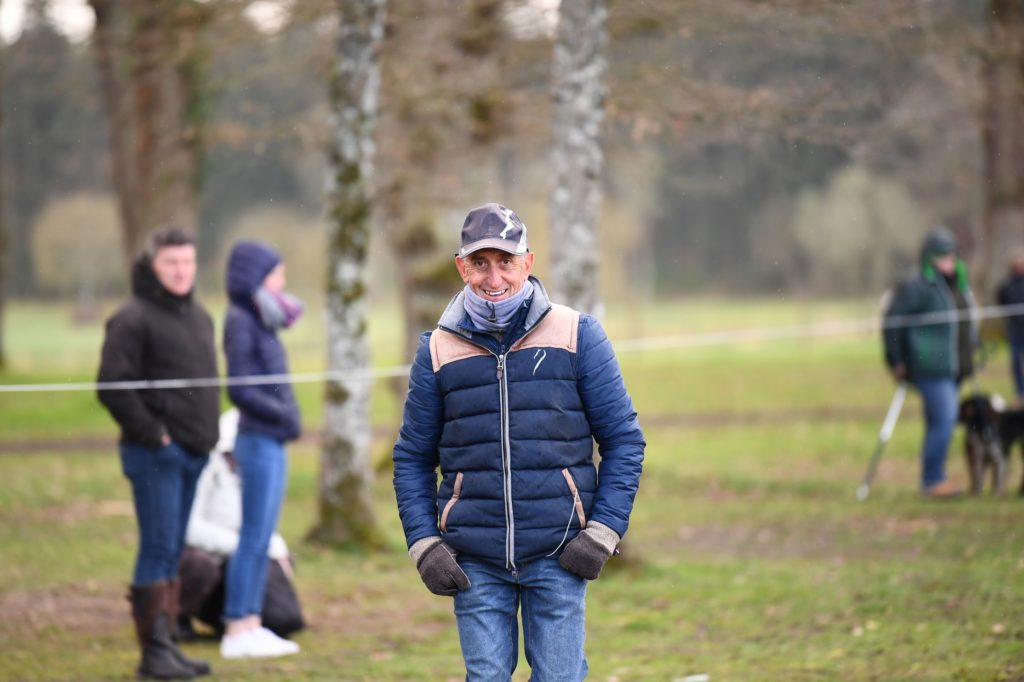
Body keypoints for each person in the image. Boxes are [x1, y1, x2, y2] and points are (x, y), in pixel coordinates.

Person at [393, 203, 646, 680]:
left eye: (506, 262)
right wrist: (425, 543)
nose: (494, 278)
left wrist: (602, 533)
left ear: (528, 263)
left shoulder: (578, 335)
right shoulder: (437, 349)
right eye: (481, 263)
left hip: (560, 553)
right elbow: (412, 456)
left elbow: (624, 440)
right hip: (473, 559)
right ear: (461, 266)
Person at [97, 226, 219, 680]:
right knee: (159, 546)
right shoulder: (131, 318)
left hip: (193, 454)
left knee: (172, 551)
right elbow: (111, 386)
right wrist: (156, 436)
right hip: (155, 456)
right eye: (172, 262)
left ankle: (167, 643)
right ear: (153, 265)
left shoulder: (199, 317)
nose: (181, 270)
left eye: (187, 261)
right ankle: (153, 654)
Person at [219, 240, 303, 659]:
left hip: (273, 437)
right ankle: (237, 625)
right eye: (276, 272)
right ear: (256, 275)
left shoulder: (261, 317)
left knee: (262, 534)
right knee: (252, 535)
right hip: (257, 439)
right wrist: (281, 414)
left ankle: (252, 622)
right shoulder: (240, 319)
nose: (283, 280)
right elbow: (239, 387)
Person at [177, 409, 305, 641]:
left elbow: (261, 525)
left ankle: (240, 622)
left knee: (286, 618)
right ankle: (176, 617)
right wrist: (245, 545)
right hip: (207, 561)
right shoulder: (206, 468)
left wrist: (274, 546)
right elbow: (189, 527)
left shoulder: (257, 473)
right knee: (200, 564)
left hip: (237, 561)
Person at [883, 226, 977, 498]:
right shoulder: (917, 286)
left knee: (938, 420)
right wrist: (896, 360)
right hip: (929, 366)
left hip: (954, 366)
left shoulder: (957, 285)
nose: (947, 262)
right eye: (940, 257)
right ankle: (934, 480)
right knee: (946, 418)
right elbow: (893, 323)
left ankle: (932, 477)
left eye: (951, 256)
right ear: (928, 258)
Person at [996, 248, 1024, 401]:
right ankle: (1020, 391)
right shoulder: (1007, 286)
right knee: (1016, 361)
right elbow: (1002, 301)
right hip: (1015, 330)